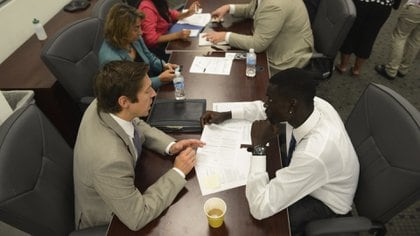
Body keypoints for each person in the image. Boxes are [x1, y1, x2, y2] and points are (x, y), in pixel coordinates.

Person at [201, 68, 359, 235]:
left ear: (292, 104)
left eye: (270, 100)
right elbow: (264, 109)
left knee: (265, 224)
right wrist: (228, 114)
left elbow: (259, 208)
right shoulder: (310, 106)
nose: (266, 105)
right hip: (314, 175)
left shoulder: (315, 152)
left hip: (325, 201)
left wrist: (259, 147)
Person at [73, 60, 205, 230]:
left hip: (125, 183)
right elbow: (138, 216)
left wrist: (171, 145)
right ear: (124, 101)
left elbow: (134, 122)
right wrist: (178, 171)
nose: (154, 94)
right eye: (147, 91)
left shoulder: (106, 101)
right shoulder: (109, 161)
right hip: (110, 221)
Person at [203, 0, 313, 73]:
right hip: (281, 44)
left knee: (235, 70)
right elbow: (254, 9)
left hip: (286, 59)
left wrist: (225, 36)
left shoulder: (274, 5)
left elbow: (258, 45)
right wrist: (229, 8)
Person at [99, 3, 177, 90]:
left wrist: (164, 65)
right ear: (122, 30)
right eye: (136, 28)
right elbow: (129, 87)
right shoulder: (110, 59)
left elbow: (149, 57)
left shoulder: (134, 38)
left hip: (148, 81)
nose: (141, 32)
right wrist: (159, 80)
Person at [335, 0, 401, 77]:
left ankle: (343, 66)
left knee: (351, 34)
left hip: (361, 3)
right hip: (383, 7)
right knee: (369, 37)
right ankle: (356, 70)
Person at [375, 0, 420, 80]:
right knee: (415, 41)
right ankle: (403, 69)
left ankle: (391, 70)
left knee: (400, 36)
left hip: (416, 7)